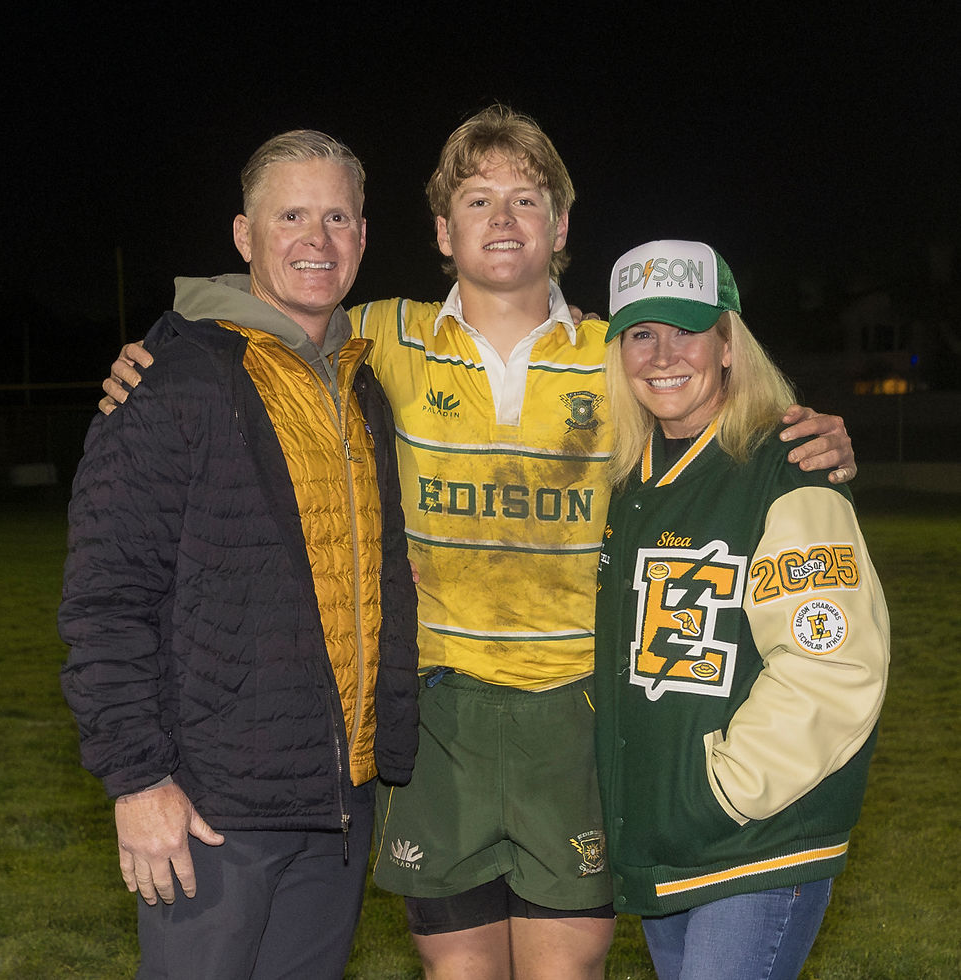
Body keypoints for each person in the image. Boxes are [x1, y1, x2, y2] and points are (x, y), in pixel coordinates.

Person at [99, 107, 857, 979]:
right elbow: (260, 334)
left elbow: (724, 418)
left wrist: (818, 438)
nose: (502, 220)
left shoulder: (617, 354)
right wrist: (157, 352)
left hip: (576, 713)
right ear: (440, 231)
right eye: (477, 200)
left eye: (526, 199)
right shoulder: (379, 335)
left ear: (561, 225)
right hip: (439, 715)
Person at [58, 130, 419, 980]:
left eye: (337, 217)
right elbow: (106, 602)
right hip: (211, 808)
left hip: (336, 803)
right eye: (289, 215)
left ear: (364, 238)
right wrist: (138, 781)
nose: (315, 239)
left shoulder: (361, 385)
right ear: (242, 235)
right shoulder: (173, 381)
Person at [594, 240, 889, 980]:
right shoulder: (629, 482)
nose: (663, 353)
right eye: (641, 333)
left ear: (728, 343)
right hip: (667, 843)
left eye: (687, 329)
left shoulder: (786, 467)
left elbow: (833, 666)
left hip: (755, 842)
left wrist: (720, 791)